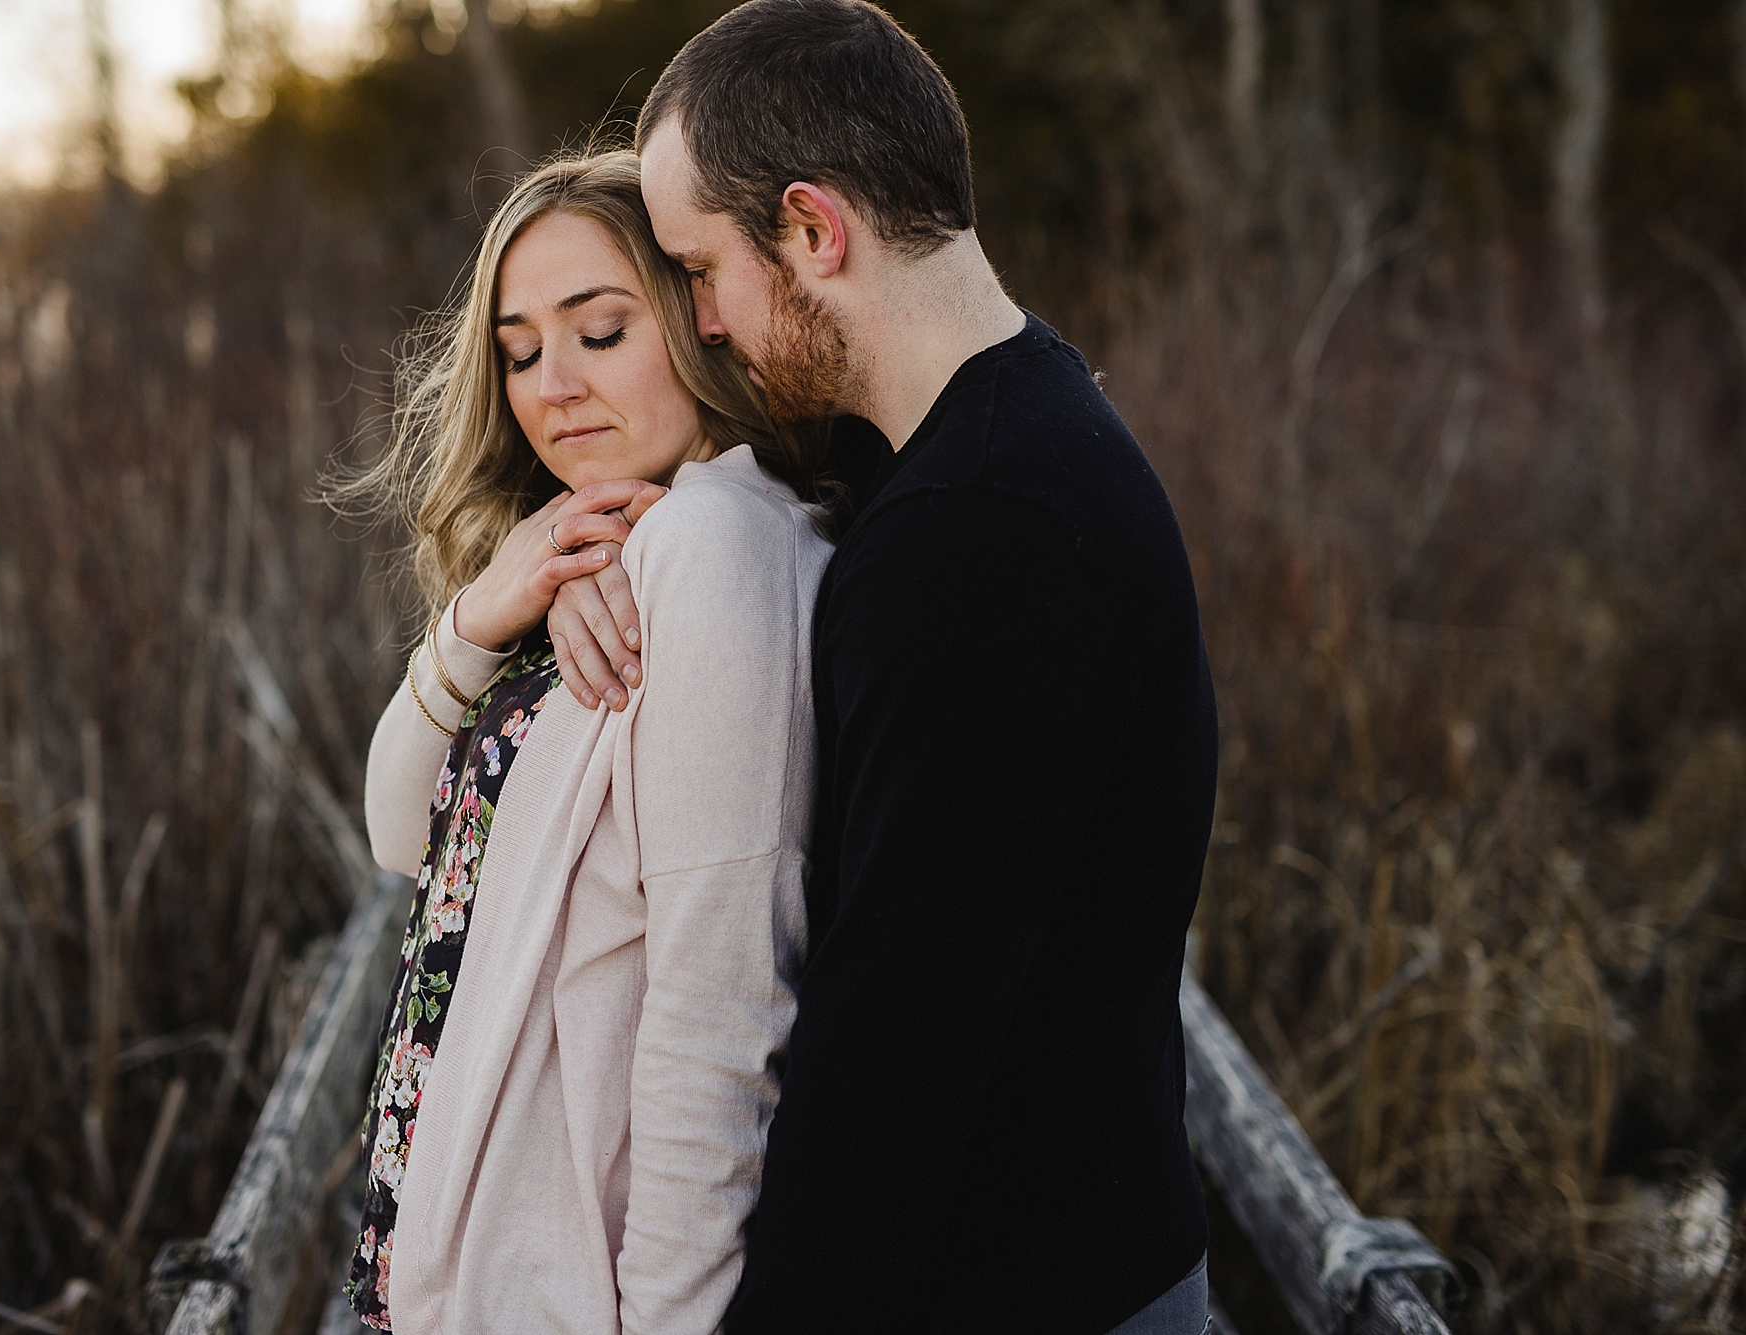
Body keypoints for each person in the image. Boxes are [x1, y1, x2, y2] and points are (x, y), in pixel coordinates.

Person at [546, 3, 1218, 1331]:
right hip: (1091, 1254)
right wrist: (582, 551)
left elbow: (895, 1057)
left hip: (1030, 1296)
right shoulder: (1012, 433)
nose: (703, 320)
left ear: (813, 229)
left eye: (699, 265)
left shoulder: (975, 537)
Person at [340, 150, 833, 1334]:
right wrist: (480, 618)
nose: (550, 385)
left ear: (698, 320)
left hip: (576, 1287)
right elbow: (405, 836)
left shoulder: (719, 548)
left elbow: (720, 1014)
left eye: (598, 331)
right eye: (517, 350)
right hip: (483, 1260)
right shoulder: (588, 558)